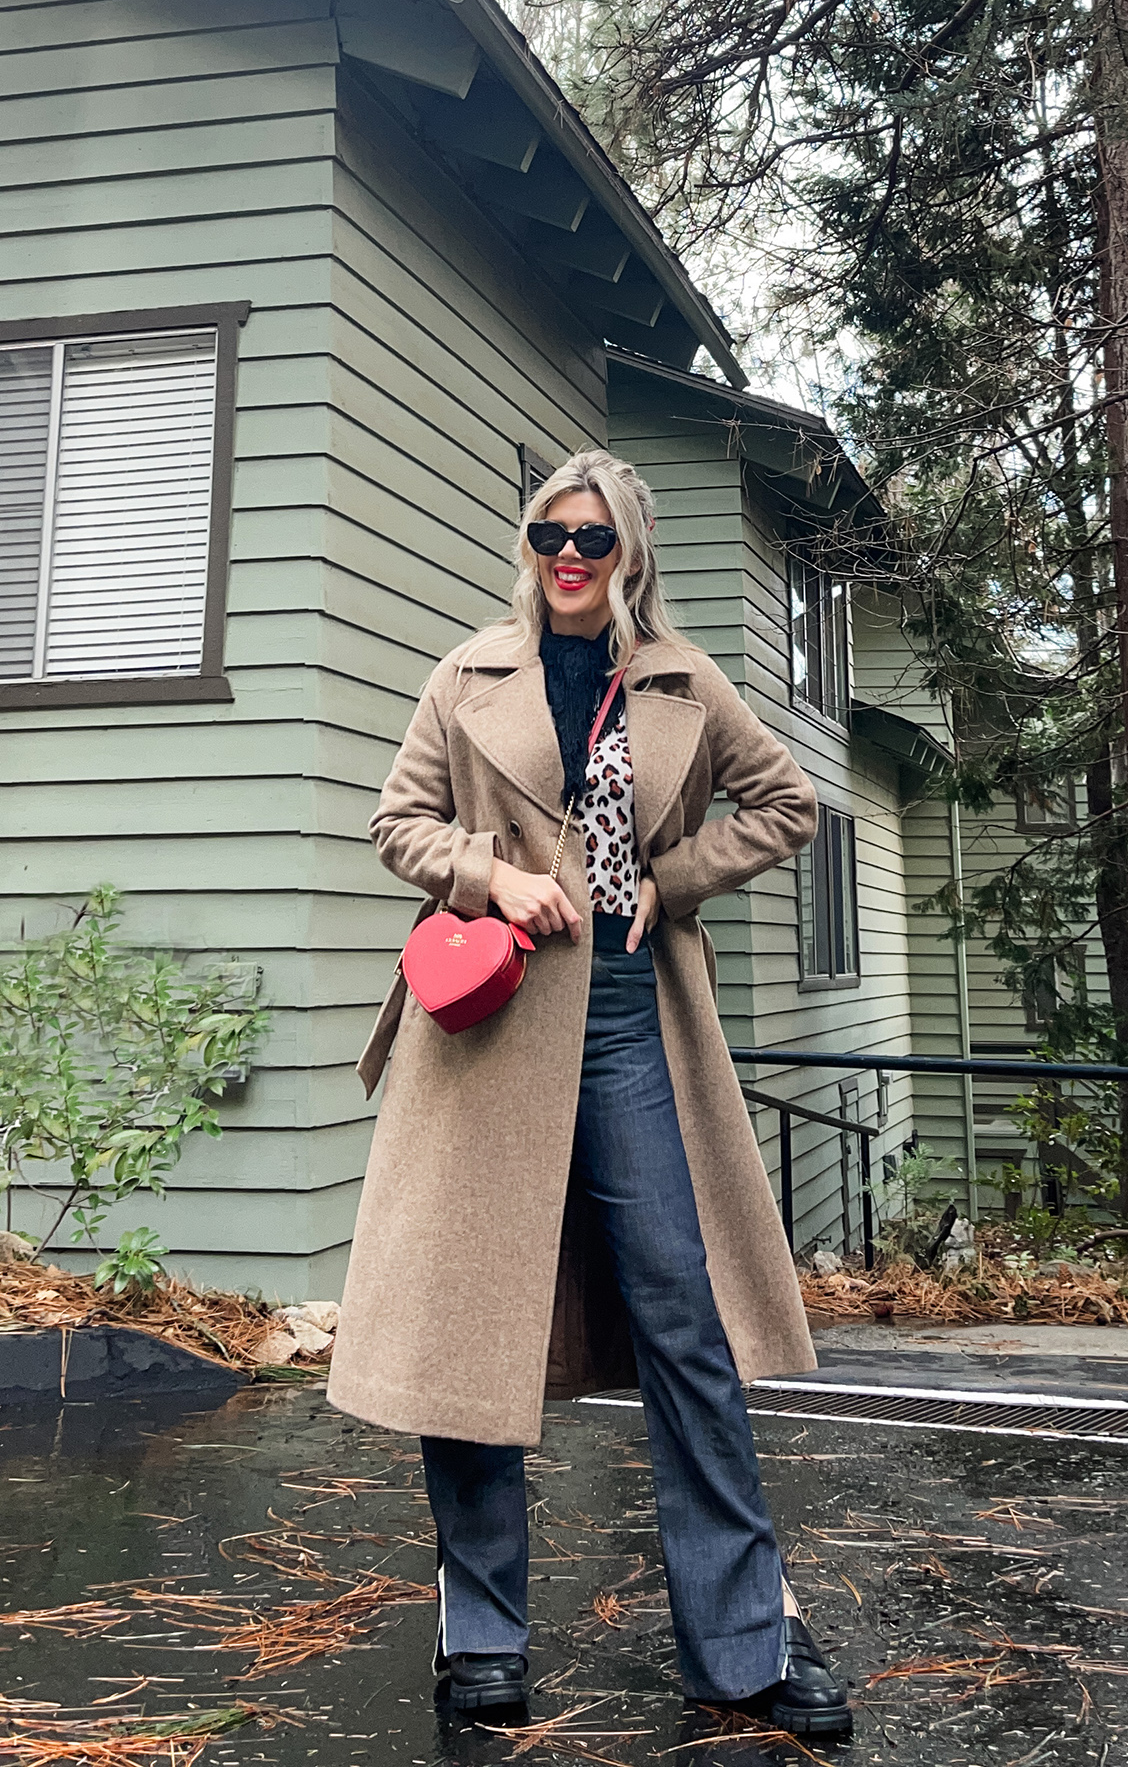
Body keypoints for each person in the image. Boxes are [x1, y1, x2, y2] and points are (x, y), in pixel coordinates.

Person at [327, 449, 852, 1739]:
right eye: (550, 534)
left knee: (688, 1324)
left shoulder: (682, 679)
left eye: (595, 539)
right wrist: (488, 878)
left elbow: (789, 802)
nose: (569, 557)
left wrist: (668, 883)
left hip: (633, 1025)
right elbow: (400, 823)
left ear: (632, 554)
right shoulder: (468, 676)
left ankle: (744, 1643)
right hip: (494, 1029)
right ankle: (481, 1634)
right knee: (472, 1331)